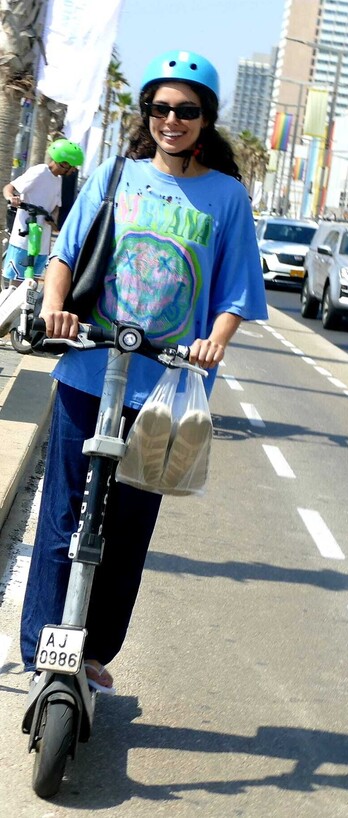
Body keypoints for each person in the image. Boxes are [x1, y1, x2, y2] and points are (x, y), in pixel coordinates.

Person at [20, 50, 268, 693]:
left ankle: (94, 649)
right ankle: (44, 645)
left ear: (206, 119)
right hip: (88, 367)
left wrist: (214, 342)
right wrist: (53, 310)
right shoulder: (113, 176)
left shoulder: (226, 197)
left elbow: (237, 292)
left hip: (166, 386)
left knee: (129, 525)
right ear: (147, 113)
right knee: (62, 514)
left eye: (186, 110)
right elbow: (65, 258)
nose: (171, 120)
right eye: (160, 108)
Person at [2, 139, 83, 288]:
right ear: (64, 163)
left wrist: (54, 223)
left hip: (42, 242)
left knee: (31, 287)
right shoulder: (39, 171)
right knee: (16, 285)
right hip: (24, 237)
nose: (73, 171)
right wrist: (11, 198)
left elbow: (55, 208)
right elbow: (9, 188)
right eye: (73, 166)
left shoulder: (58, 180)